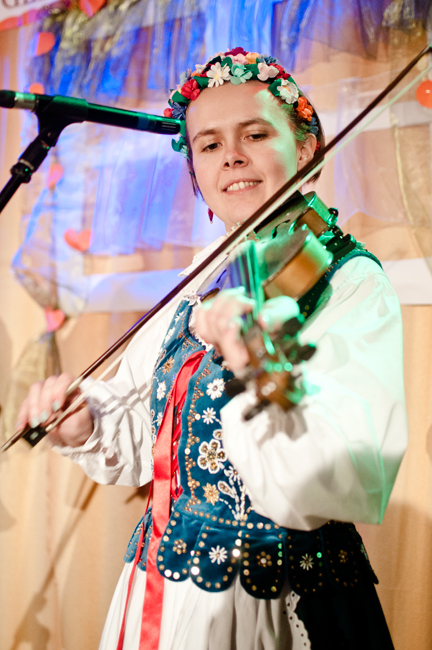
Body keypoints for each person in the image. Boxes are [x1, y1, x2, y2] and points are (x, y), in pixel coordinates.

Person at [17, 48, 408, 650]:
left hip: (271, 598)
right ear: (195, 171)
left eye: (256, 134)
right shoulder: (202, 278)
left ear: (306, 149)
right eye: (209, 144)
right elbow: (158, 437)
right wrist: (88, 425)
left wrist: (259, 366)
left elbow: (344, 471)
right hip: (165, 585)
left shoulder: (347, 280)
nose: (232, 156)